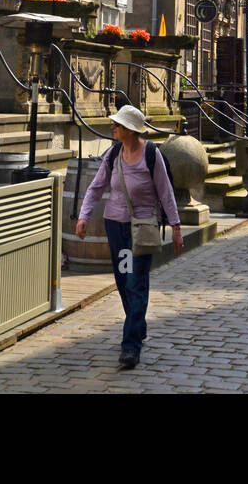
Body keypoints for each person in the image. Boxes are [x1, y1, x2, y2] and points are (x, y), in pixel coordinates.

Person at [76, 105, 182, 369]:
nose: (113, 127)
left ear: (131, 130)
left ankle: (130, 347)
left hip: (143, 230)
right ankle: (138, 323)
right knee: (124, 281)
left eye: (118, 125)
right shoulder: (113, 154)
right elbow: (96, 187)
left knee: (137, 283)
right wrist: (83, 216)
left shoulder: (151, 154)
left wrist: (176, 227)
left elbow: (166, 192)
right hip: (117, 228)